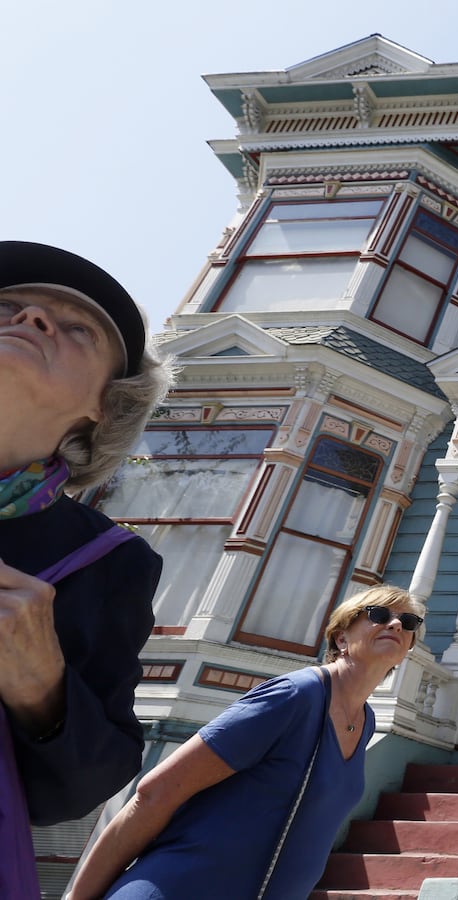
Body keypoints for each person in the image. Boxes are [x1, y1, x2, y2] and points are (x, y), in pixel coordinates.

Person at [65, 585, 425, 899]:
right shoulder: (295, 696)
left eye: (408, 623)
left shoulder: (365, 721)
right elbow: (154, 793)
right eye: (378, 614)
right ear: (341, 637)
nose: (395, 624)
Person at [0, 241, 172, 896]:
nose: (32, 318)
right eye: (7, 306)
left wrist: (42, 687)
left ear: (105, 404)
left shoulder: (108, 562)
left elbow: (83, 789)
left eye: (76, 329)